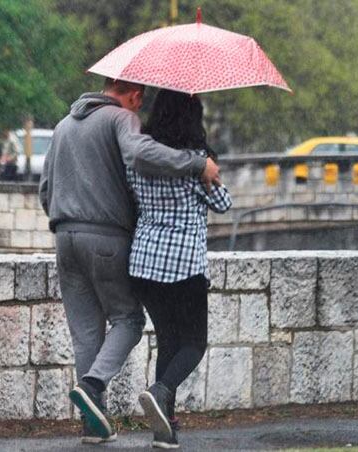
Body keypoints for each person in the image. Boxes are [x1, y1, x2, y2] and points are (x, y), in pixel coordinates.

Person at [38, 79, 220, 444]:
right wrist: (197, 164)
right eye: (139, 102)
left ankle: (93, 423)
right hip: (106, 236)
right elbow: (140, 155)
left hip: (63, 237)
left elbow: (45, 189)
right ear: (134, 95)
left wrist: (66, 220)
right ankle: (92, 384)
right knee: (128, 320)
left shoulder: (62, 126)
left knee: (87, 333)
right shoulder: (121, 119)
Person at [128, 89, 231, 449]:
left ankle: (165, 428)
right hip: (183, 264)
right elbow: (223, 202)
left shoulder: (141, 158)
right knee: (194, 343)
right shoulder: (195, 162)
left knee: (169, 342)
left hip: (143, 263)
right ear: (193, 119)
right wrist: (208, 164)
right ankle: (162, 390)